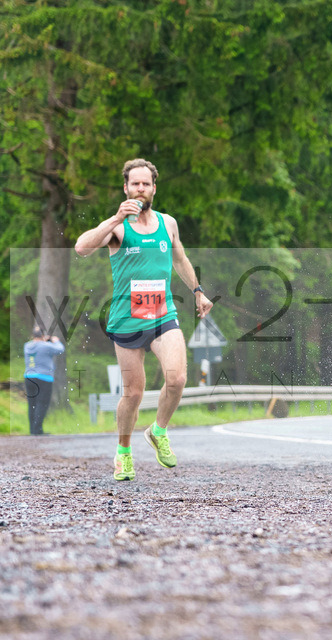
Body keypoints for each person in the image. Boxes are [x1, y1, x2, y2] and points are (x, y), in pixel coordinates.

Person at [74, 158, 213, 482]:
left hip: (163, 314)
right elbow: (81, 247)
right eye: (134, 184)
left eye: (146, 184)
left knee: (177, 379)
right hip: (126, 319)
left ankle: (158, 430)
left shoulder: (169, 224)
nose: (140, 189)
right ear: (125, 188)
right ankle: (123, 453)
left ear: (153, 187)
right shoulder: (118, 227)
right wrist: (114, 218)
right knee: (133, 393)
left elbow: (179, 258)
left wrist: (197, 291)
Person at [23, 326, 65, 435]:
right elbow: (60, 349)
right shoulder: (46, 346)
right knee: (42, 404)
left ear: (33, 335)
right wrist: (55, 341)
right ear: (42, 335)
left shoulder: (27, 346)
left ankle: (32, 430)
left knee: (32, 404)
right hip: (44, 378)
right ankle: (38, 430)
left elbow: (37, 345)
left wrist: (44, 340)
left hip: (29, 377)